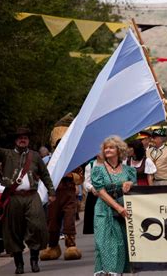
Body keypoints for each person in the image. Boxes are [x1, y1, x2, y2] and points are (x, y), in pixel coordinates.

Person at [0, 123, 56, 274]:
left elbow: (45, 175)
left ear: (28, 140)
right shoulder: (7, 154)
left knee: (38, 226)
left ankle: (34, 260)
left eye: (25, 138)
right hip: (13, 197)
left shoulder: (35, 156)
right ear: (15, 140)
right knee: (14, 231)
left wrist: (51, 191)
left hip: (32, 196)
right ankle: (19, 264)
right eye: (20, 138)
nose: (23, 140)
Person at [41, 114, 83, 261]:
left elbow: (80, 177)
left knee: (69, 220)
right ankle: (52, 247)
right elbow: (43, 176)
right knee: (52, 222)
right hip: (54, 194)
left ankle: (71, 246)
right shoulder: (49, 161)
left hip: (69, 194)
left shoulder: (73, 159)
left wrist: (70, 175)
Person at [92, 136, 136, 275]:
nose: (108, 150)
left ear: (119, 150)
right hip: (104, 209)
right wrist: (118, 208)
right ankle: (108, 272)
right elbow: (100, 192)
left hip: (123, 210)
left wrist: (130, 184)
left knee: (121, 243)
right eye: (106, 148)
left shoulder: (128, 170)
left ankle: (117, 272)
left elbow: (134, 188)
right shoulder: (98, 169)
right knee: (105, 243)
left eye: (111, 147)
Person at [83, 158, 100, 235]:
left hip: (109, 195)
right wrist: (91, 188)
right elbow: (86, 182)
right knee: (95, 224)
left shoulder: (111, 163)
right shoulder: (90, 165)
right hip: (94, 197)